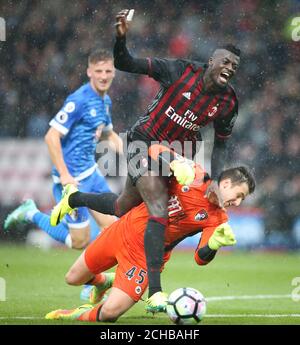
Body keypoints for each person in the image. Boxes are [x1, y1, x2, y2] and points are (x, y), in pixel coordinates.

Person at [50, 9, 241, 312]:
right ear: (211, 62)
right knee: (157, 205)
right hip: (142, 141)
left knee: (122, 206)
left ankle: (73, 198)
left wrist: (216, 179)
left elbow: (221, 144)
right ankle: (155, 291)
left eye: (235, 65)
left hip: (176, 154)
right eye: (226, 61)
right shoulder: (179, 71)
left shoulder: (228, 102)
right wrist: (121, 38)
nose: (230, 67)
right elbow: (125, 63)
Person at [45, 150, 255, 322]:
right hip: (123, 230)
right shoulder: (194, 173)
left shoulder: (218, 220)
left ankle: (77, 315)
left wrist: (214, 245)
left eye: (242, 199)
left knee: (110, 313)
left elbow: (200, 258)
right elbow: (153, 150)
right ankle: (103, 281)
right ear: (226, 183)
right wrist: (172, 162)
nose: (237, 202)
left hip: (144, 259)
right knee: (72, 278)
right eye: (239, 195)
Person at [4, 49, 122, 299]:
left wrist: (122, 148)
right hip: (70, 182)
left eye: (108, 71)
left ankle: (94, 284)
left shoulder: (105, 101)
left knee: (114, 231)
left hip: (92, 175)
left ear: (113, 72)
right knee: (79, 241)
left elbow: (108, 132)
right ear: (89, 71)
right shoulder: (78, 99)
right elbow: (51, 136)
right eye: (98, 71)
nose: (103, 76)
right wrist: (66, 175)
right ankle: (32, 213)